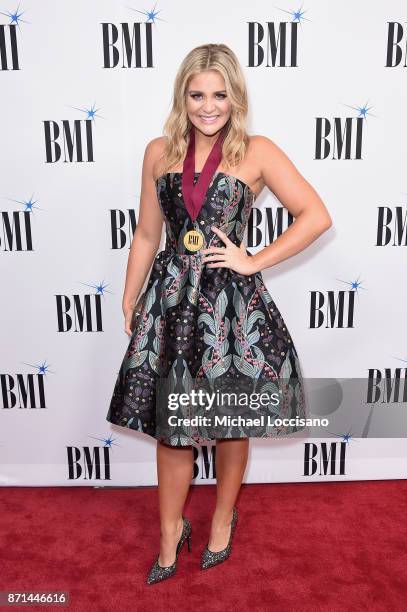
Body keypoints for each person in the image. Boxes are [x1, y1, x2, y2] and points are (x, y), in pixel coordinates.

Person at [106, 43, 332, 585]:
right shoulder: (159, 150)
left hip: (230, 308)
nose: (208, 106)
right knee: (172, 428)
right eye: (197, 94)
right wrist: (130, 293)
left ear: (236, 97)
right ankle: (169, 534)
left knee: (233, 422)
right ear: (182, 95)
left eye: (220, 95)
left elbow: (315, 215)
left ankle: (223, 518)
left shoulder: (256, 151)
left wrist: (253, 259)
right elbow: (145, 233)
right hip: (170, 303)